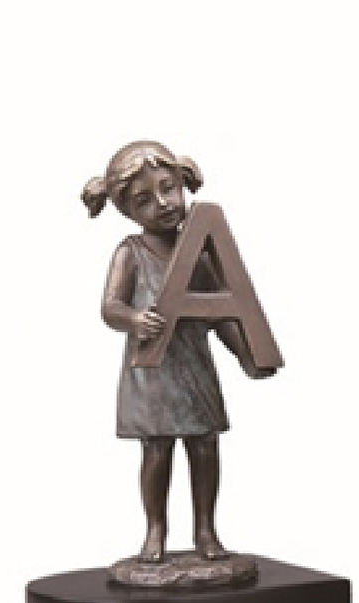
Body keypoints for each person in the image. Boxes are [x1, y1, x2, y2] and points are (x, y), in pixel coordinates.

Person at [82, 141, 272, 562]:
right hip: (153, 371)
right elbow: (110, 307)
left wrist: (248, 356)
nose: (163, 203)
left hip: (194, 366)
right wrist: (134, 319)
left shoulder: (200, 254)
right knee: (157, 450)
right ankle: (156, 531)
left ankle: (206, 530)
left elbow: (222, 315)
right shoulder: (130, 253)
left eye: (168, 188)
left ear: (182, 183)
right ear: (128, 212)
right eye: (144, 200)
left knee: (205, 447)